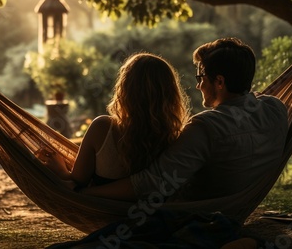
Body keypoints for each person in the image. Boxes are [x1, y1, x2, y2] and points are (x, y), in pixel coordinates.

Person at [81, 37, 289, 203]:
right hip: (242, 205)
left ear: (219, 82)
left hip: (200, 214)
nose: (198, 86)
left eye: (201, 78)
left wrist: (91, 193)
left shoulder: (205, 128)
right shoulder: (276, 109)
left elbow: (151, 183)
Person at [36, 52, 190, 189]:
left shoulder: (103, 127)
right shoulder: (175, 137)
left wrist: (61, 169)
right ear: (171, 94)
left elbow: (78, 182)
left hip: (102, 211)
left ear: (124, 89)